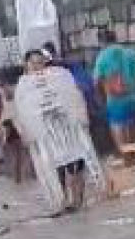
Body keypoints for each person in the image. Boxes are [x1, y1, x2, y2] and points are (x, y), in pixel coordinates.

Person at [14, 46, 96, 214]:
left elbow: (75, 97)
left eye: (40, 62)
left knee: (75, 163)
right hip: (45, 135)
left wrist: (81, 120)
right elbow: (21, 112)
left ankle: (77, 200)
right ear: (26, 65)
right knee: (54, 168)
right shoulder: (23, 87)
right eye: (33, 63)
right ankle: (61, 201)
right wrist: (26, 133)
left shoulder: (60, 77)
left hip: (67, 129)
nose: (38, 67)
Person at [93, 28, 135, 150]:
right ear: (115, 39)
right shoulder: (129, 52)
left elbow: (96, 81)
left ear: (101, 42)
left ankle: (127, 158)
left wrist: (100, 100)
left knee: (117, 129)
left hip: (116, 101)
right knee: (132, 132)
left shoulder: (101, 57)